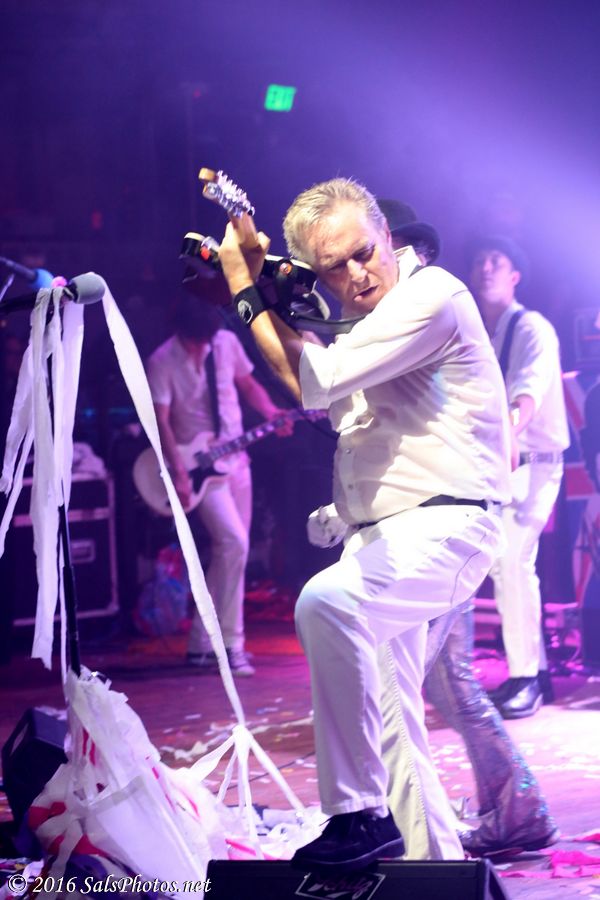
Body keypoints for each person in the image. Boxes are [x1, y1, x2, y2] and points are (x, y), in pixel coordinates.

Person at [216, 177, 511, 868]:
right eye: (334, 267)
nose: (356, 274)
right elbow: (333, 395)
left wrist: (244, 287)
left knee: (327, 603)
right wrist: (257, 290)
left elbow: (309, 381)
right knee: (391, 723)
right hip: (385, 538)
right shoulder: (364, 330)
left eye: (364, 253)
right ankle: (435, 869)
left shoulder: (433, 294)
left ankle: (356, 816)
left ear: (387, 236)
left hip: (448, 529)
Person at [307, 201, 558, 858]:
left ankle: (513, 807)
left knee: (447, 678)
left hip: (479, 502)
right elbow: (384, 441)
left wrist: (505, 432)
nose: (370, 276)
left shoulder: (502, 322)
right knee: (415, 691)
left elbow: (522, 398)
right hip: (420, 522)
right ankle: (443, 846)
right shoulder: (390, 339)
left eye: (384, 255)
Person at [146, 285, 290, 676]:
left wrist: (270, 412)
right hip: (197, 467)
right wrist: (178, 471)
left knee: (233, 555)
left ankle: (204, 644)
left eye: (204, 342)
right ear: (181, 333)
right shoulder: (162, 361)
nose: (200, 349)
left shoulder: (224, 343)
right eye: (194, 343)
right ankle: (229, 645)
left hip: (236, 461)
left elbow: (249, 385)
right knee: (233, 543)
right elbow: (160, 421)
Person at [469, 237, 570, 718]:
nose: (486, 267)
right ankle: (537, 673)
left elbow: (527, 393)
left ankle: (526, 676)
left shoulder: (532, 328)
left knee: (511, 562)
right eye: (480, 260)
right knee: (502, 565)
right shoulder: (479, 335)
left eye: (497, 260)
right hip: (499, 465)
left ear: (515, 276)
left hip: (535, 463)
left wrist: (507, 435)